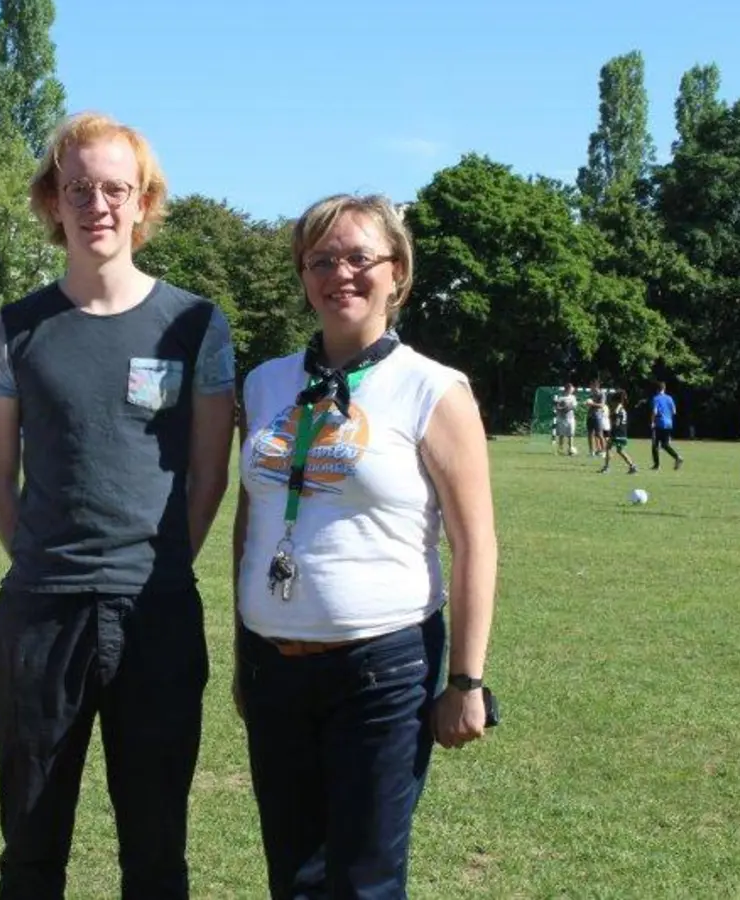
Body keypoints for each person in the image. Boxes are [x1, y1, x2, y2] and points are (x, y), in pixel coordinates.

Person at [0, 112, 236, 899]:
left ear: (144, 200)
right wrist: (50, 563)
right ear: (52, 201)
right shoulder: (11, 330)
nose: (99, 204)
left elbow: (208, 476)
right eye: (78, 187)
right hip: (40, 619)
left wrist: (148, 570)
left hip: (157, 615)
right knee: (30, 851)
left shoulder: (197, 326)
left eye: (116, 188)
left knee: (156, 855)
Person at [233, 193, 498, 898]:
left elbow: (477, 544)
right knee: (293, 877)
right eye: (321, 260)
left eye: (359, 257)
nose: (339, 274)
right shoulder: (265, 384)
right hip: (273, 665)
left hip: (382, 669)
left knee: (364, 882)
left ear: (398, 273)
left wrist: (466, 683)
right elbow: (250, 522)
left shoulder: (432, 388)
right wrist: (241, 652)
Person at [597, 388, 640, 474]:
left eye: (612, 402)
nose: (611, 404)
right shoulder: (622, 409)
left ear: (616, 402)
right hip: (623, 432)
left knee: (608, 448)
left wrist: (612, 422)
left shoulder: (618, 411)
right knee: (620, 450)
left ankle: (607, 467)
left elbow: (616, 423)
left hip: (617, 432)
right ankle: (632, 466)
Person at [649, 380, 683, 470]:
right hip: (669, 423)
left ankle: (657, 465)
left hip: (660, 423)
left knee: (655, 444)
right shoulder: (669, 398)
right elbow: (674, 411)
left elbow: (654, 411)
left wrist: (652, 422)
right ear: (664, 388)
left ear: (657, 389)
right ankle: (677, 457)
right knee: (664, 444)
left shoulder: (656, 398)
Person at [585, 378, 609, 457]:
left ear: (596, 385)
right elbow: (590, 404)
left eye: (592, 385)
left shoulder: (601, 394)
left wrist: (592, 404)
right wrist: (587, 404)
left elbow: (602, 405)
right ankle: (591, 451)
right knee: (590, 434)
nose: (590, 386)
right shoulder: (591, 394)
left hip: (597, 416)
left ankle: (604, 451)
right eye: (590, 385)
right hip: (590, 416)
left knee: (599, 434)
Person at [552, 383, 578, 456]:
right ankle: (560, 449)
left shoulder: (573, 397)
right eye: (571, 388)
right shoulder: (560, 398)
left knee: (570, 435)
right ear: (567, 389)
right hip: (561, 418)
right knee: (561, 435)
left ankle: (570, 449)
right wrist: (558, 406)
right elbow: (557, 407)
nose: (573, 390)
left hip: (570, 418)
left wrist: (565, 408)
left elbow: (573, 407)